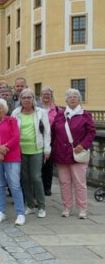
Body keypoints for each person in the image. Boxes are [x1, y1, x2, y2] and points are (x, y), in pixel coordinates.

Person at [51, 89, 95, 219]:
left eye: (75, 96)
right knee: (64, 182)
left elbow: (91, 132)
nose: (72, 98)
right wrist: (51, 148)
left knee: (79, 183)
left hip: (77, 154)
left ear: (79, 99)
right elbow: (53, 133)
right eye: (69, 97)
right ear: (65, 100)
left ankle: (82, 208)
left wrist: (83, 145)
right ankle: (67, 207)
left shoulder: (85, 115)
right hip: (61, 154)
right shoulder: (60, 115)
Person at [0, 98, 26, 226]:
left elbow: (16, 137)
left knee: (14, 185)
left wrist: (3, 150)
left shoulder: (11, 121)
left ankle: (20, 213)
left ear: (5, 109)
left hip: (11, 157)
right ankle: (1, 212)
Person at [11, 88, 50, 218]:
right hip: (20, 150)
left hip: (36, 150)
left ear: (33, 99)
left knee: (36, 177)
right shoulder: (16, 113)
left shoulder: (40, 112)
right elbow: (12, 131)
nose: (27, 100)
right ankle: (30, 205)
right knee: (25, 179)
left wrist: (47, 150)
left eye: (29, 97)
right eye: (24, 97)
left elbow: (47, 132)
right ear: (20, 100)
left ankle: (41, 206)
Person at [39, 87, 59, 196]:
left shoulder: (57, 109)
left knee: (49, 165)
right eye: (44, 94)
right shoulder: (36, 108)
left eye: (48, 94)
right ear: (40, 96)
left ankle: (47, 187)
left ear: (51, 96)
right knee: (39, 165)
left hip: (51, 140)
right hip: (38, 139)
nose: (46, 96)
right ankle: (39, 187)